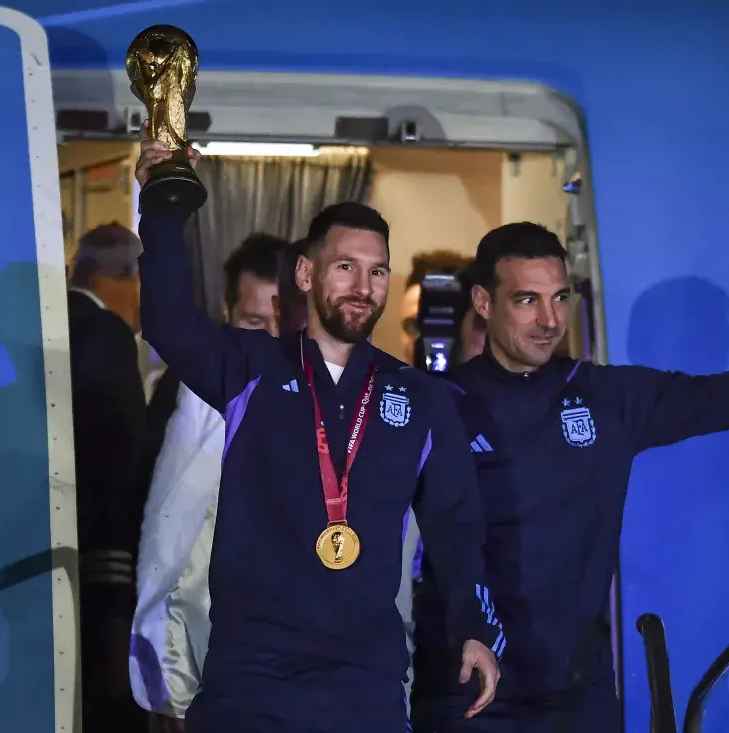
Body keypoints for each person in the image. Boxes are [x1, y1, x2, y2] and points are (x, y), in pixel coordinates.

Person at [410, 191, 729, 732]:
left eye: (560, 298)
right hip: (469, 691)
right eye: (527, 300)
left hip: (580, 696)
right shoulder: (435, 404)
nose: (549, 320)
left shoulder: (607, 395)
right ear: (484, 304)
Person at [134, 131, 503, 732]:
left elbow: (455, 525)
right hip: (250, 681)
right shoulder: (249, 368)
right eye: (346, 267)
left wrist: (471, 627)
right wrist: (164, 208)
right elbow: (168, 322)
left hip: (366, 685)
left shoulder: (421, 397)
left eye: (378, 271)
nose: (364, 286)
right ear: (306, 274)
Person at [129, 232, 298, 732]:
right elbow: (166, 543)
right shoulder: (185, 402)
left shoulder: (334, 404)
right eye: (252, 323)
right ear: (227, 315)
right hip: (205, 666)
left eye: (280, 323)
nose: (268, 339)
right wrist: (171, 682)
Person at [67, 223, 149, 733]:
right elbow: (120, 464)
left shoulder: (52, 323)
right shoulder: (107, 334)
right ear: (118, 277)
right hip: (101, 562)